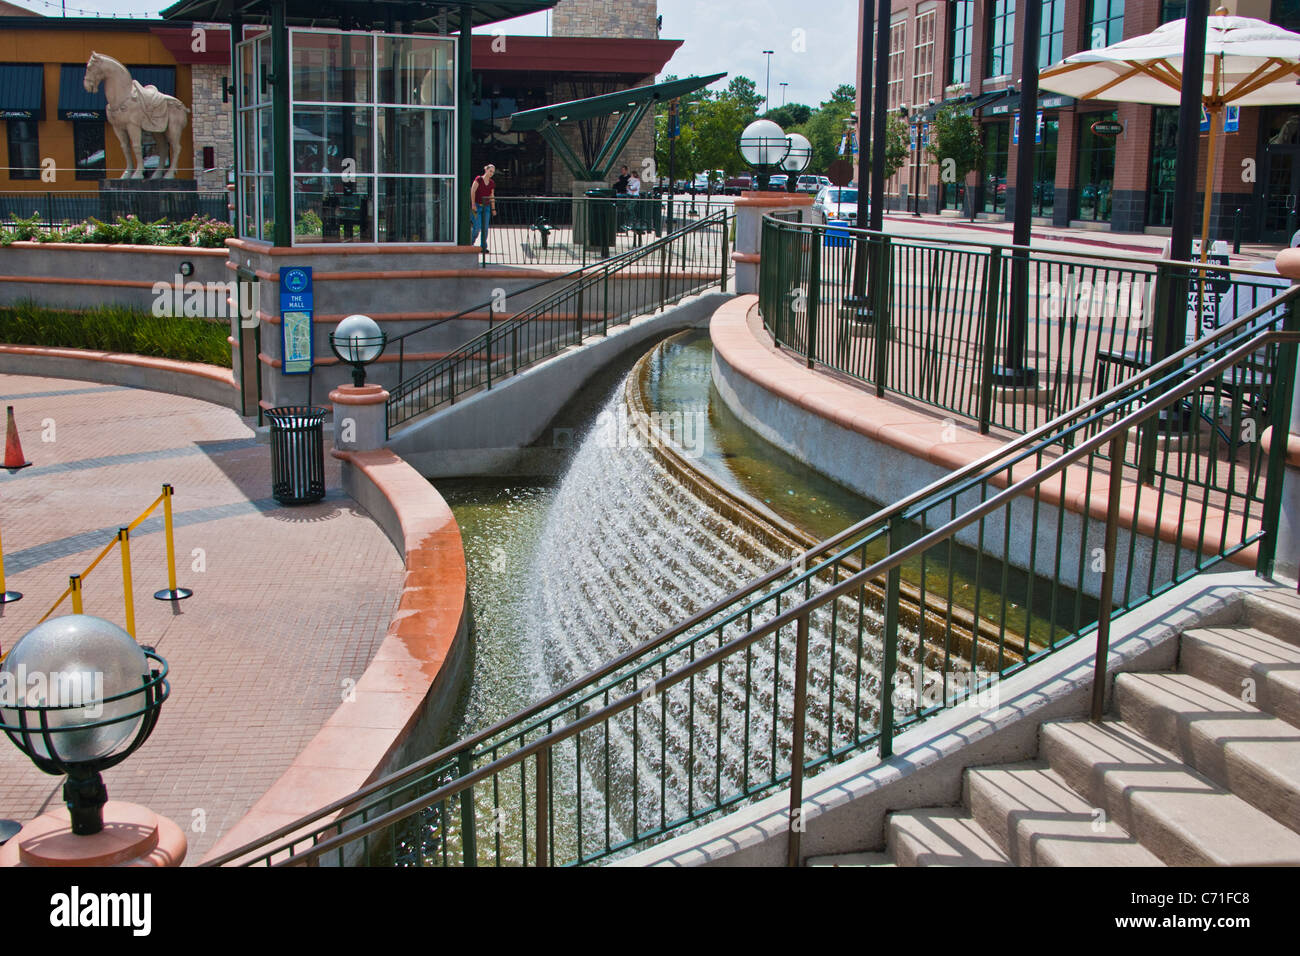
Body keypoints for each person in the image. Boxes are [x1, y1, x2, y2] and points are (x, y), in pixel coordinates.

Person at [469, 163, 497, 252]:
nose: (491, 173)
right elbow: (473, 191)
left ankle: (483, 247)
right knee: (477, 227)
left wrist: (493, 208)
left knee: (485, 228)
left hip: (486, 207)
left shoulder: (492, 183)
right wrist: (473, 204)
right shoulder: (478, 179)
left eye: (493, 172)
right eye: (490, 171)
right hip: (476, 206)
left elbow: (492, 195)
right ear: (486, 170)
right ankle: (470, 243)